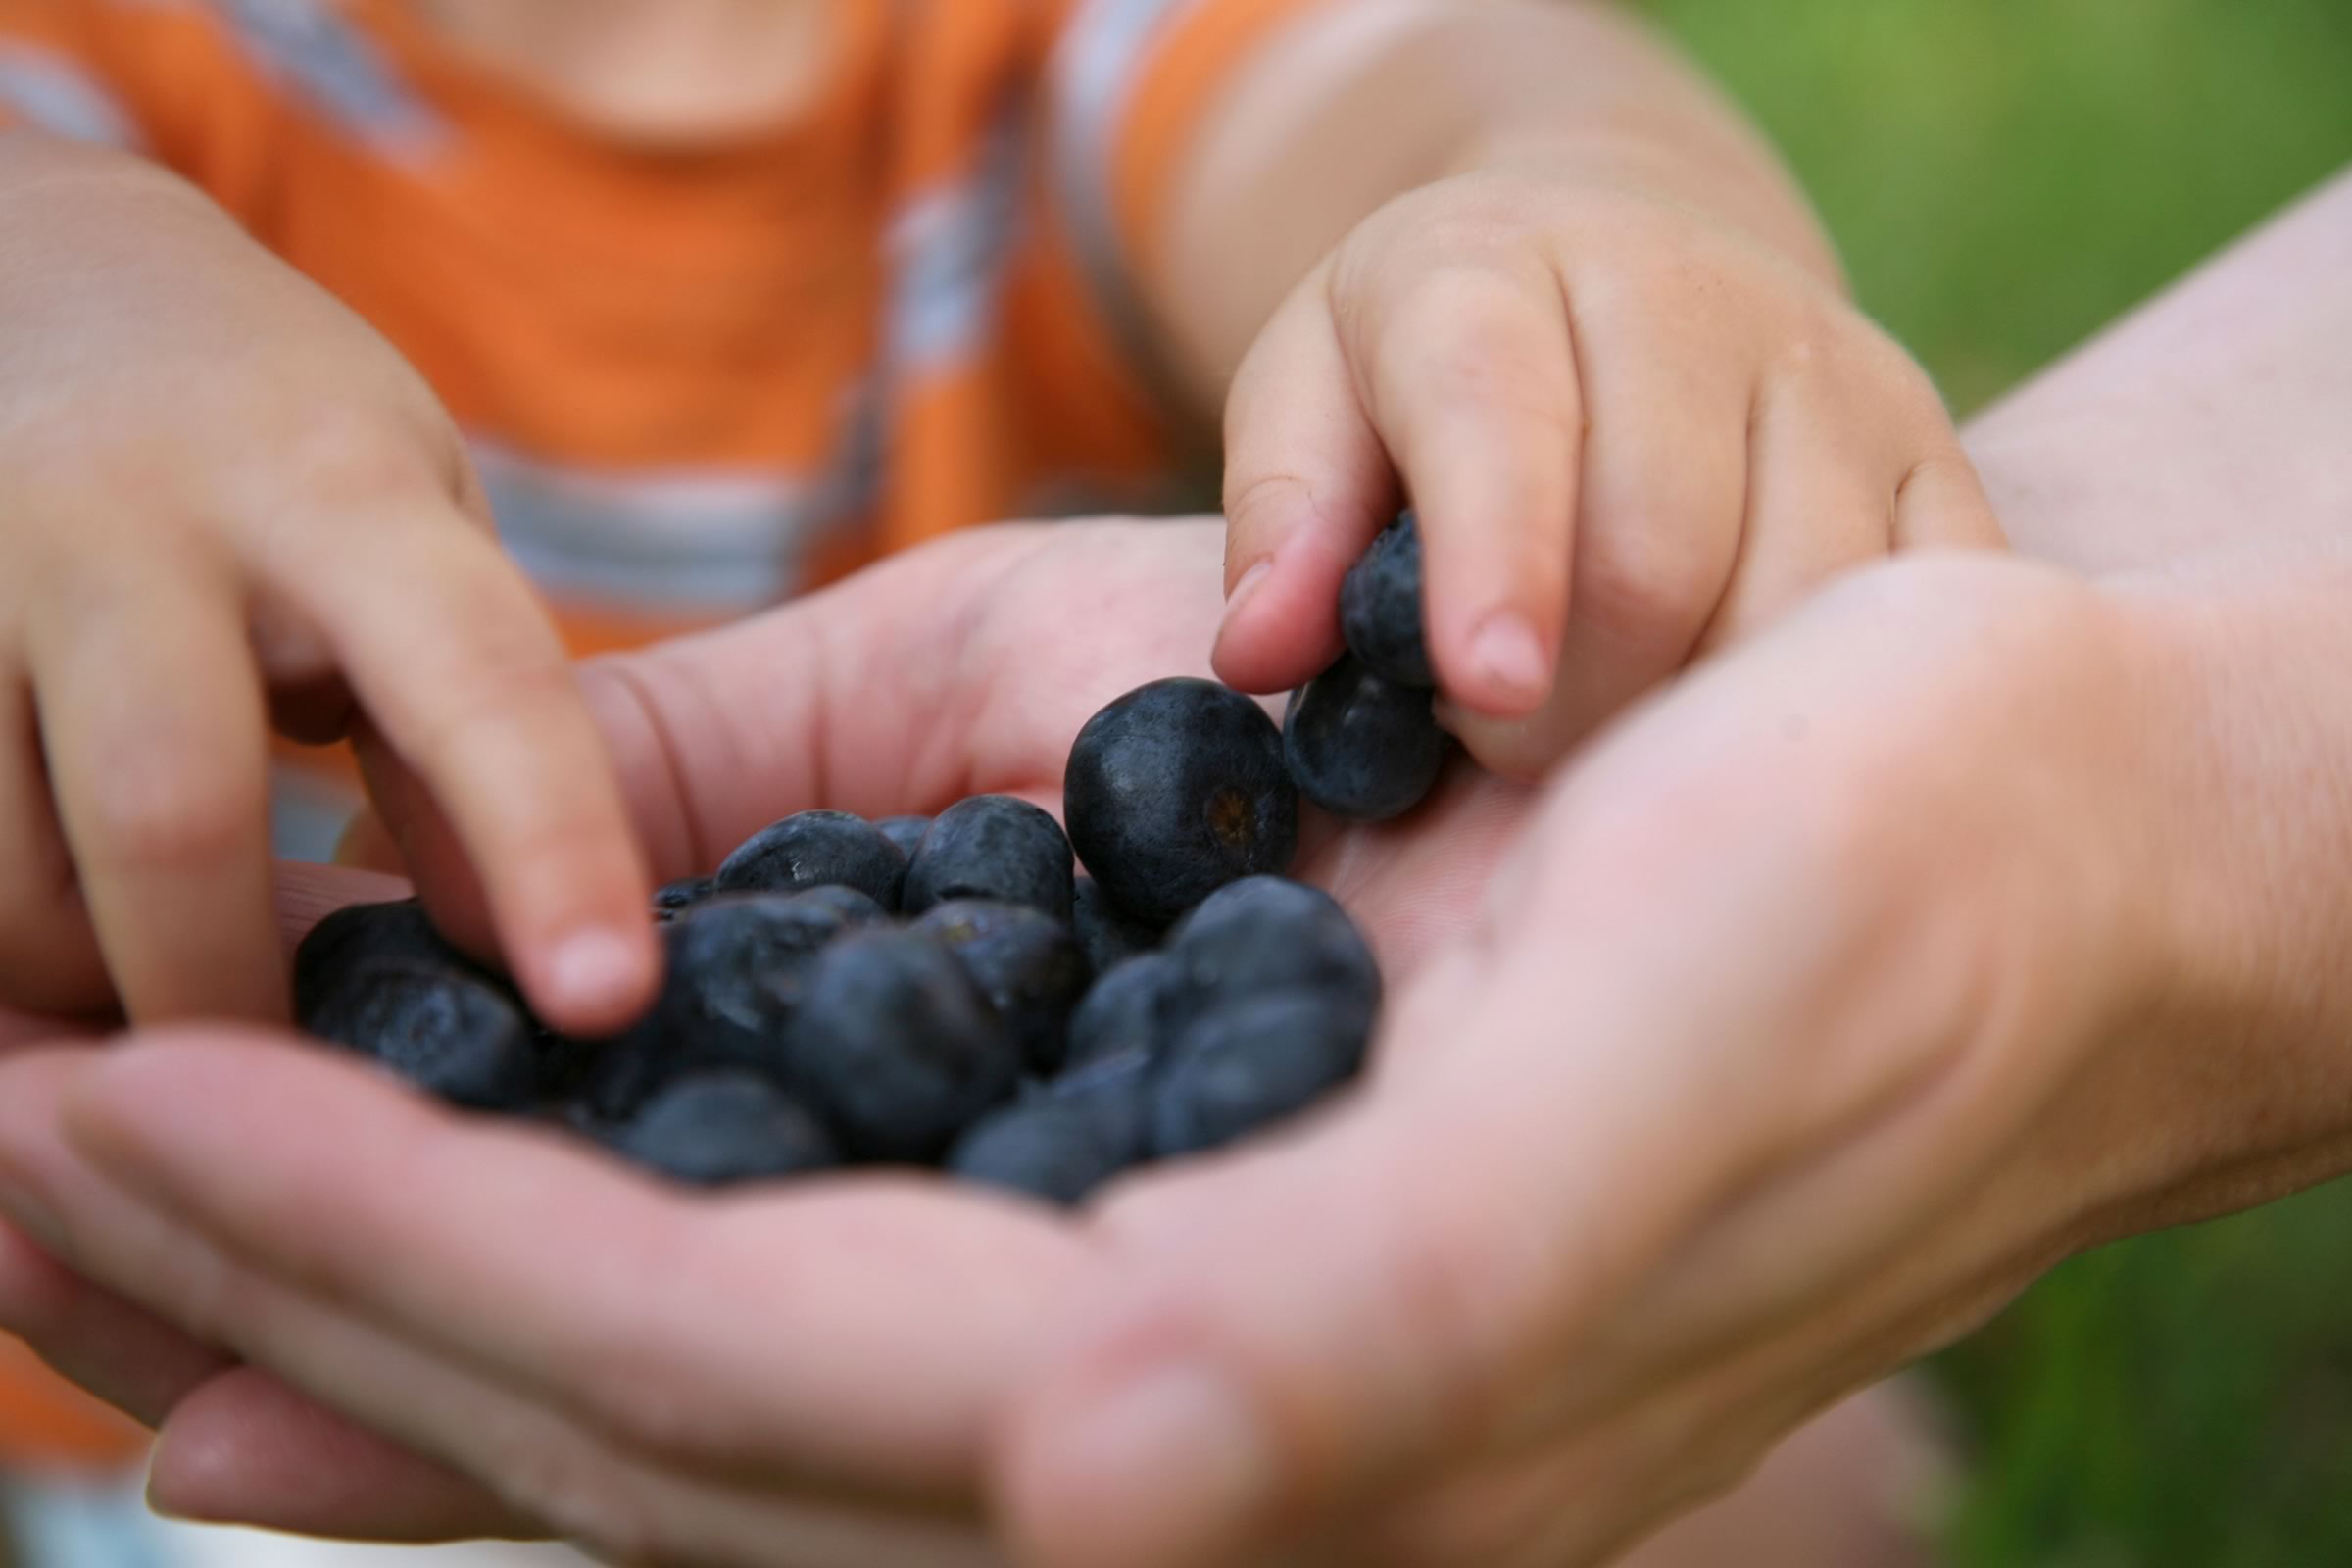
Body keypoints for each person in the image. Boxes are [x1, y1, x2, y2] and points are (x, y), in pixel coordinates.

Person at [0, 166, 2344, 1567]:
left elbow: (1414, 72)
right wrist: (60, 261)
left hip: (1154, 1228)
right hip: (254, 1395)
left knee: (1742, 1452)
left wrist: (1590, 236)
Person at [0, 0, 1991, 1042]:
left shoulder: (1024, 50)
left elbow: (1398, 71)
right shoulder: (99, 68)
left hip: (995, 1220)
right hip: (229, 1275)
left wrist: (1585, 196)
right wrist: (57, 270)